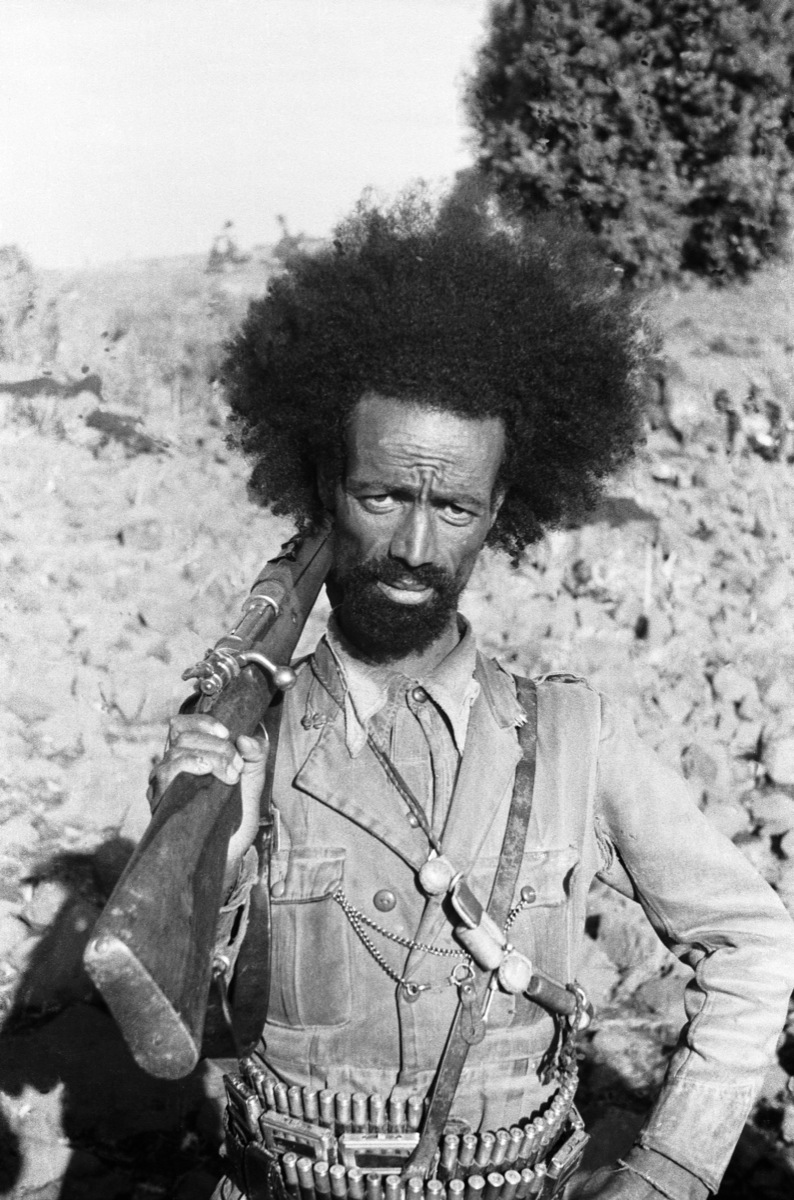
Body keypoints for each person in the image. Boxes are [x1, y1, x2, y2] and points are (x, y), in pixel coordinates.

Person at [148, 187, 794, 1200]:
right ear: (325, 491)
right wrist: (199, 833)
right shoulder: (248, 736)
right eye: (382, 496)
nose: (414, 546)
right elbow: (165, 1015)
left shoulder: (573, 735)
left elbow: (751, 941)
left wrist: (672, 1167)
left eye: (453, 507)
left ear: (500, 511)